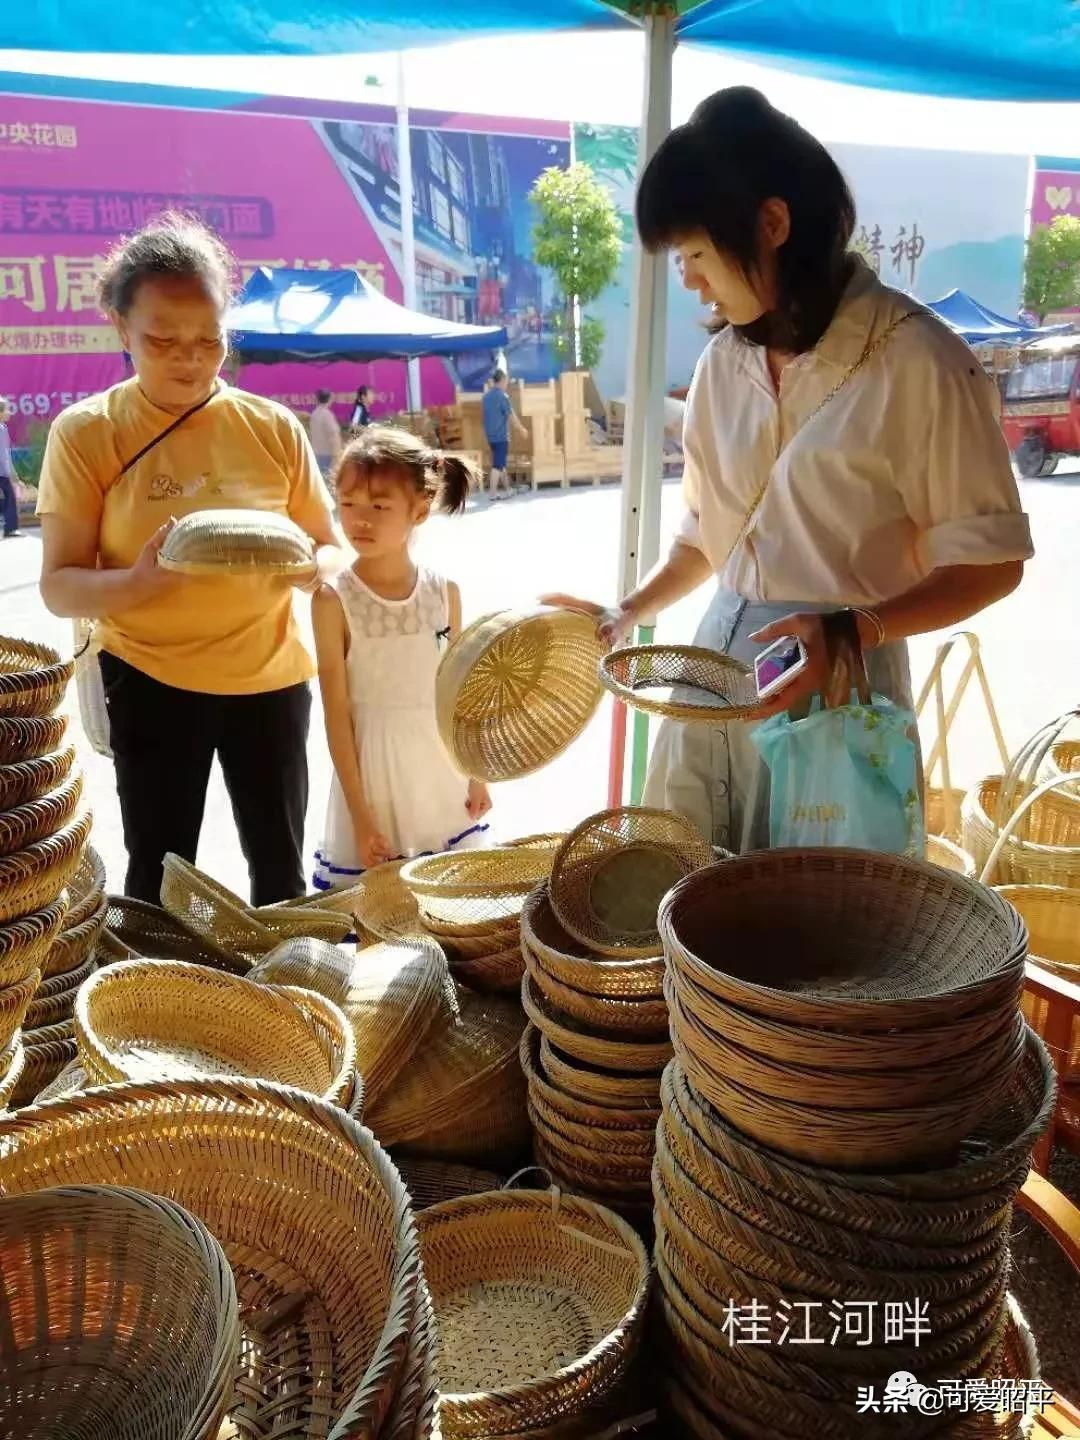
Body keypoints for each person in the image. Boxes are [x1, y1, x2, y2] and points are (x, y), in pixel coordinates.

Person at [546, 88, 1031, 853]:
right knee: (689, 896)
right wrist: (624, 610)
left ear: (772, 225)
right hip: (715, 672)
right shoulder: (720, 368)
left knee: (818, 936)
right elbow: (710, 536)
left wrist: (849, 632)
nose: (689, 281)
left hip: (840, 683)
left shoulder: (921, 362)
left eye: (697, 255)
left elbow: (993, 564)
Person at [37, 212, 342, 905]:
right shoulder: (89, 433)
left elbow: (329, 545)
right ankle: (154, 1005)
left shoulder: (271, 427)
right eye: (163, 340)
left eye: (209, 340)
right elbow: (59, 585)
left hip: (270, 681)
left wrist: (311, 566)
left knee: (280, 871)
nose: (190, 358)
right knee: (160, 875)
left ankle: (283, 1003)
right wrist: (139, 582)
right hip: (151, 679)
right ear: (121, 329)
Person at [312, 426, 492, 886]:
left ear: (420, 510)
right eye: (348, 504)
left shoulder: (444, 592)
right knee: (378, 914)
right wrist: (359, 814)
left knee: (449, 905)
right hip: (374, 780)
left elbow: (458, 692)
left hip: (440, 775)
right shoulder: (333, 600)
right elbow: (336, 716)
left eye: (379, 506)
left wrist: (475, 774)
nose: (360, 521)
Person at [482, 368, 526, 501]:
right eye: (506, 380)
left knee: (501, 464)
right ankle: (492, 494)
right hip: (501, 436)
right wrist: (521, 429)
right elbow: (511, 416)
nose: (507, 383)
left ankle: (508, 489)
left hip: (490, 436)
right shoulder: (502, 396)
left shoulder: (486, 397)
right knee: (497, 465)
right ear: (501, 380)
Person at [309, 389, 343, 479]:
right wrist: (336, 455)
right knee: (328, 481)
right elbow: (333, 436)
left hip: (317, 453)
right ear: (330, 399)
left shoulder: (314, 414)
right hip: (328, 455)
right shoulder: (327, 415)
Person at [0, 405, 20, 539]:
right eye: (6, 409)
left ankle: (8, 528)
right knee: (9, 499)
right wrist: (10, 473)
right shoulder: (1, 429)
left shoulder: (3, 428)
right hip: (1, 472)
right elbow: (3, 454)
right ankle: (9, 528)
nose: (9, 412)